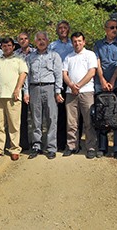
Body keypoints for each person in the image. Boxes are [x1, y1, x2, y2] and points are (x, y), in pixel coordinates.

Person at [24, 32, 63, 159]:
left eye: (43, 39)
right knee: (36, 119)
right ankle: (36, 145)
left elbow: (58, 75)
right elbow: (27, 76)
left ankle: (51, 147)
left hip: (50, 88)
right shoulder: (30, 57)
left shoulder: (54, 55)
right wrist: (26, 92)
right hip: (34, 88)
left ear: (47, 41)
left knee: (51, 118)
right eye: (39, 40)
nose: (41, 42)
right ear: (35, 42)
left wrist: (58, 91)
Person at [0, 37, 28, 160]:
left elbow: (23, 74)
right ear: (1, 47)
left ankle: (14, 149)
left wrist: (17, 89)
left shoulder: (19, 60)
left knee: (14, 124)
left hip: (13, 97)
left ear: (13, 46)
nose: (7, 48)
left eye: (9, 45)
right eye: (4, 46)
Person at [94, 19, 117, 159]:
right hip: (100, 84)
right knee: (101, 114)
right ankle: (102, 147)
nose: (115, 30)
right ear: (105, 28)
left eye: (116, 28)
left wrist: (112, 80)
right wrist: (102, 80)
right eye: (112, 27)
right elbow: (97, 63)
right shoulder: (98, 44)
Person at [62, 32, 98, 158]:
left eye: (79, 41)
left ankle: (91, 147)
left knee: (89, 121)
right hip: (70, 93)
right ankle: (72, 146)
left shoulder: (90, 54)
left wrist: (79, 85)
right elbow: (64, 73)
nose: (77, 43)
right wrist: (71, 85)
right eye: (75, 41)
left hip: (86, 92)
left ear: (84, 41)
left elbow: (92, 72)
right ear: (72, 43)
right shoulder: (68, 57)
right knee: (71, 122)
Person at [49, 20, 73, 151]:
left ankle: (73, 142)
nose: (62, 30)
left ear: (68, 29)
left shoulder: (73, 43)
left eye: (65, 27)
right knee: (59, 113)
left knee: (72, 113)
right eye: (60, 28)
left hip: (71, 81)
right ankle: (59, 142)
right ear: (57, 31)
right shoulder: (52, 46)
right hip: (57, 82)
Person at [15, 32, 34, 151]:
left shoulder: (36, 53)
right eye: (20, 39)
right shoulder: (15, 55)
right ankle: (24, 142)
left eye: (25, 38)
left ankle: (38, 142)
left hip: (35, 87)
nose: (23, 41)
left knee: (37, 117)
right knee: (22, 117)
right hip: (20, 88)